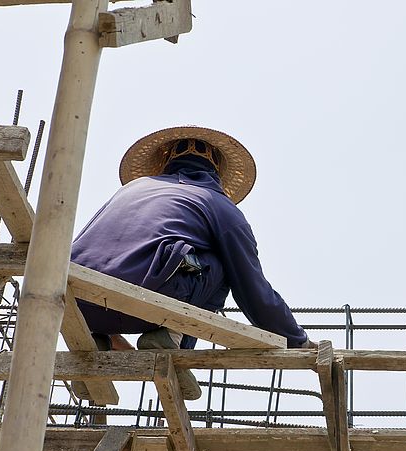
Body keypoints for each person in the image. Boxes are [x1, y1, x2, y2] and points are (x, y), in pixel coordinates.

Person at [70, 126, 316, 401]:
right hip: (149, 302)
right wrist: (298, 340)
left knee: (114, 256)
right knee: (223, 262)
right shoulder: (219, 205)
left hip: (76, 303)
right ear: (218, 174)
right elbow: (253, 289)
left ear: (164, 164)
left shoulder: (130, 191)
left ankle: (94, 343)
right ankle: (173, 338)